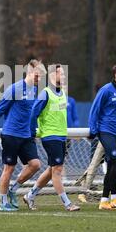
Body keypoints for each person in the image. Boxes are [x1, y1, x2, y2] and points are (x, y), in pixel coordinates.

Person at [0, 59, 45, 211]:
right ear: (30, 73)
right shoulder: (14, 89)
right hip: (11, 134)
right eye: (38, 76)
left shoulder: (35, 91)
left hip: (27, 135)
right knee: (9, 169)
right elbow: (1, 109)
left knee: (35, 164)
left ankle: (13, 189)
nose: (40, 79)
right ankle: (3, 201)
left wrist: (33, 131)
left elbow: (33, 114)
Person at [24, 64, 80, 211]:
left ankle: (30, 195)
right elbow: (33, 113)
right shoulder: (45, 93)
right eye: (60, 74)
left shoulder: (62, 93)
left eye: (63, 74)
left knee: (52, 169)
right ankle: (67, 203)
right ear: (52, 76)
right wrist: (31, 132)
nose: (63, 76)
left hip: (62, 136)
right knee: (57, 170)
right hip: (50, 136)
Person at [88, 64, 116, 210]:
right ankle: (112, 198)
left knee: (113, 164)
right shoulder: (106, 90)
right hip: (105, 131)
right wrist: (93, 130)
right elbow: (95, 109)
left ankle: (106, 201)